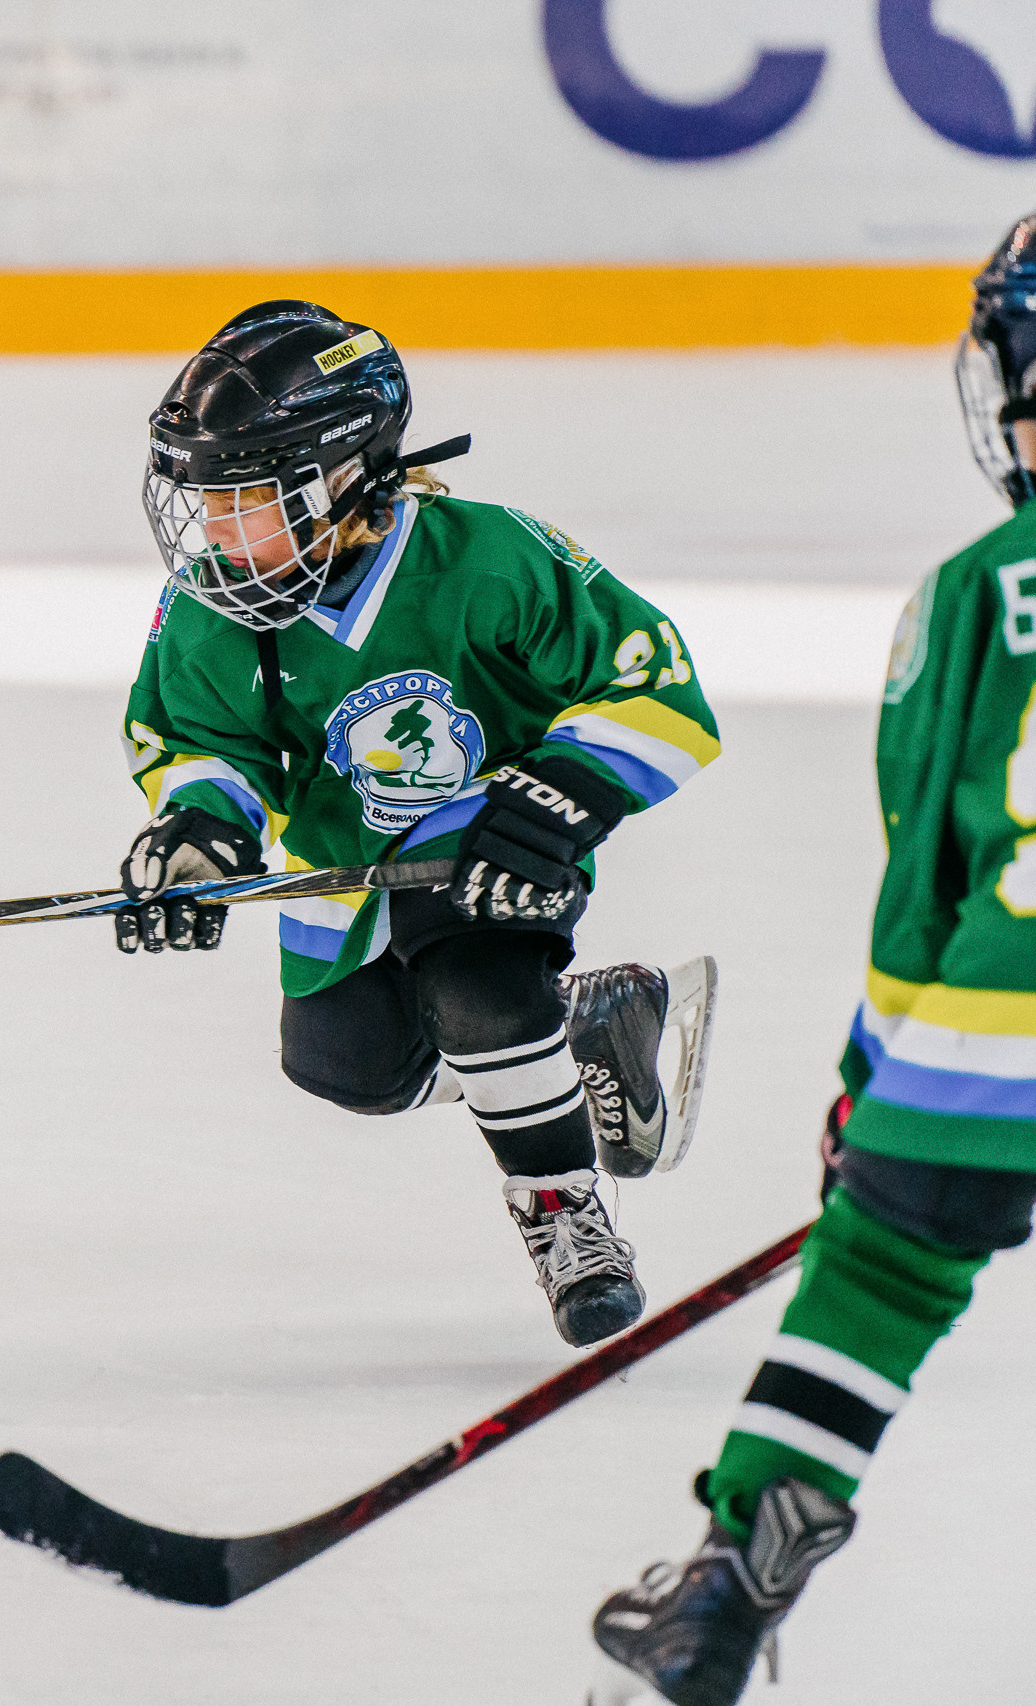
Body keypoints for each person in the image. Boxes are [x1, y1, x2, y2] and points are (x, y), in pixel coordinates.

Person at [586, 217, 1036, 1706]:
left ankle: (729, 1582)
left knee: (883, 1273)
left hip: (999, 1028)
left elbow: (927, 892)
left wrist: (872, 1089)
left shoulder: (980, 591)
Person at [116, 301, 721, 1346]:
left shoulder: (489, 558)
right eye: (204, 501)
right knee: (347, 1066)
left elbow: (655, 683)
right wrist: (201, 830)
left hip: (491, 837)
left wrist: (562, 793)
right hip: (345, 864)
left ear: (343, 481)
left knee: (482, 994)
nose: (212, 531)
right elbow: (199, 739)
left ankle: (563, 1209)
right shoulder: (214, 607)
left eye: (244, 500)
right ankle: (577, 1033)